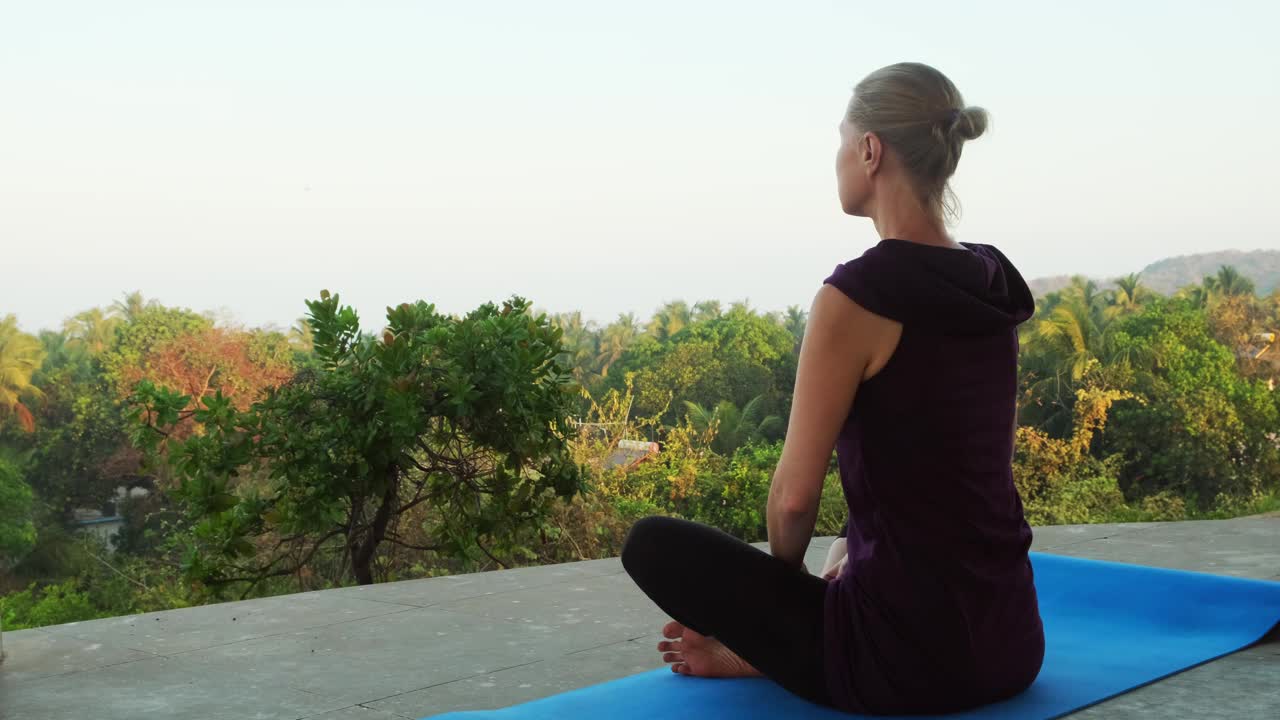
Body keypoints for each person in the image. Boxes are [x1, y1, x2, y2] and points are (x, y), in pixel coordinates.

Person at [619, 61, 1045, 715]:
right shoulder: (990, 284)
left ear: (869, 150)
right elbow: (946, 470)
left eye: (841, 139)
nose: (838, 156)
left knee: (649, 544)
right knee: (850, 543)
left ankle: (773, 656)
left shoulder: (856, 297)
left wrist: (779, 611)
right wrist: (851, 550)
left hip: (906, 665)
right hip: (1011, 642)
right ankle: (812, 627)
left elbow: (793, 501)